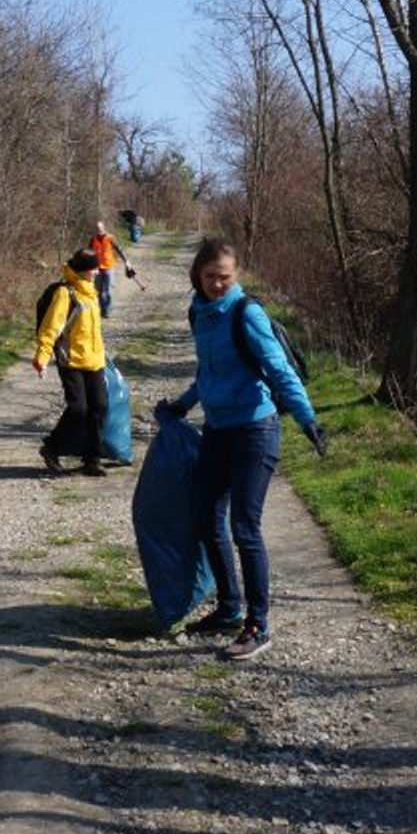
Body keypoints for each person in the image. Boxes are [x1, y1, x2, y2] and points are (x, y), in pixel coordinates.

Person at [156, 237, 325, 661]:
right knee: (205, 517)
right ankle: (229, 609)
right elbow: (208, 371)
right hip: (218, 429)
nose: (217, 284)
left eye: (225, 278)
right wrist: (183, 403)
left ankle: (258, 623)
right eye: (210, 276)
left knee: (245, 527)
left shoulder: (246, 314)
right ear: (197, 274)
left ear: (236, 277)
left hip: (255, 431)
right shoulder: (199, 313)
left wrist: (308, 420)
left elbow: (279, 369)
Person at [31, 247, 109, 477]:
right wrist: (42, 358)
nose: (97, 272)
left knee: (100, 408)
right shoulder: (66, 294)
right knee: (78, 410)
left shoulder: (91, 291)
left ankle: (92, 459)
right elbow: (50, 328)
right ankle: (52, 447)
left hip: (95, 361)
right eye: (93, 268)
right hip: (71, 362)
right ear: (83, 270)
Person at [88, 219, 141, 317]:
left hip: (109, 267)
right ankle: (102, 309)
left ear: (103, 228)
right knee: (99, 291)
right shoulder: (93, 239)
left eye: (100, 228)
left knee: (108, 290)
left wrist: (126, 262)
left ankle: (107, 309)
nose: (99, 230)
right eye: (97, 228)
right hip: (97, 269)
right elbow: (89, 253)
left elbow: (119, 249)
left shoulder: (110, 238)